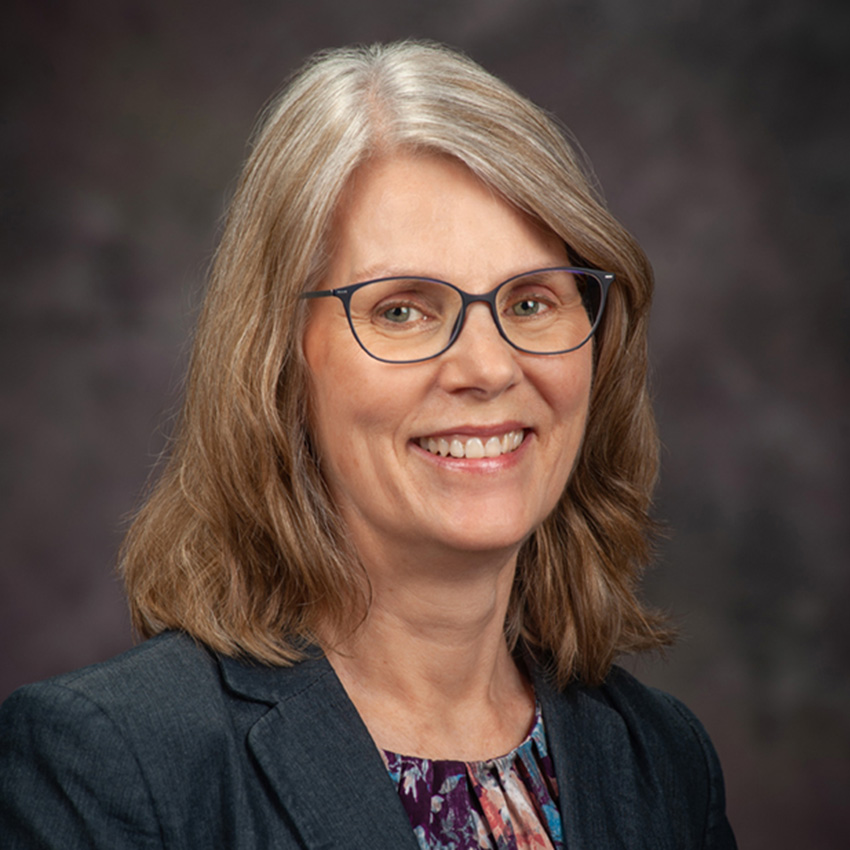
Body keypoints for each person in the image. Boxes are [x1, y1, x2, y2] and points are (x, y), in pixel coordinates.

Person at [0, 41, 737, 849]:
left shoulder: (663, 760)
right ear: (279, 359)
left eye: (532, 302)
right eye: (401, 310)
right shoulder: (110, 765)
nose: (489, 367)